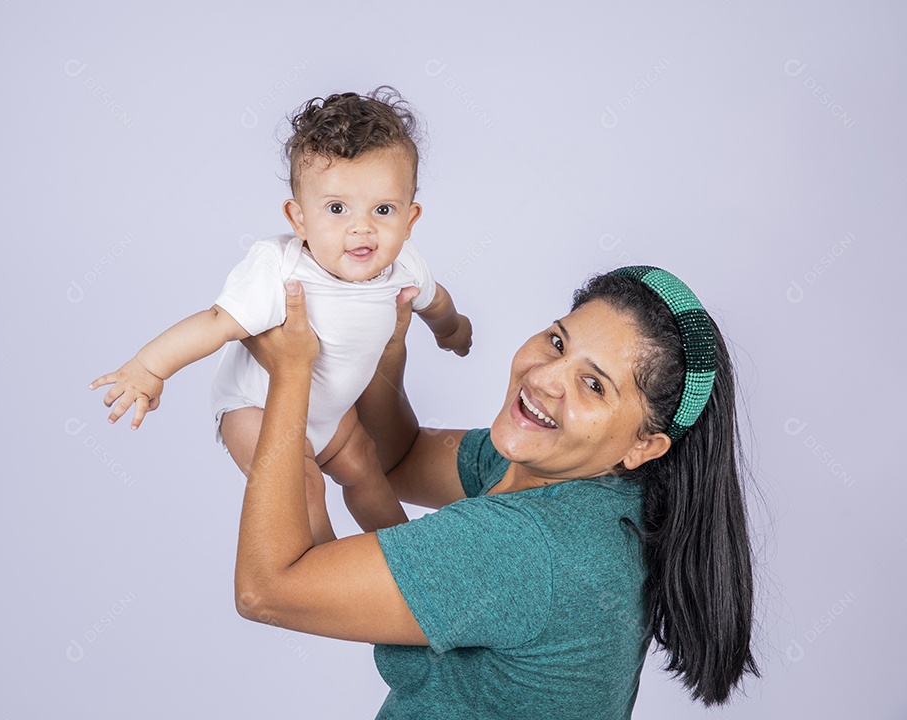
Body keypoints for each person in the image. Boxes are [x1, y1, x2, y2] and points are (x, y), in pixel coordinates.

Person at [234, 266, 759, 718]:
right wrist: (387, 345)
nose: (547, 378)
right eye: (558, 342)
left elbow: (265, 590)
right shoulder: (572, 474)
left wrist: (291, 372)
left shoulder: (526, 545)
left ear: (645, 445)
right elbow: (401, 457)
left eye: (593, 385)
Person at [89, 88, 472, 540]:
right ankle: (327, 577)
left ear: (410, 219)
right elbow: (215, 323)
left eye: (383, 209)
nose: (361, 227)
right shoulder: (280, 268)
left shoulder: (404, 267)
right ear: (299, 219)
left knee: (365, 465)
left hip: (330, 413)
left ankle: (406, 555)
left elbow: (437, 300)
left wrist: (452, 330)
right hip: (255, 408)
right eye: (336, 209)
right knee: (303, 485)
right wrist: (149, 368)